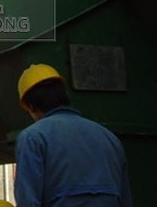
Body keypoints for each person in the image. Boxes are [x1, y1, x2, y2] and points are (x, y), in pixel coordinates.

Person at [15, 64, 133, 207]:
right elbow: (125, 200)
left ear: (30, 106)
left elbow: (28, 201)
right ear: (64, 95)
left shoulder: (33, 138)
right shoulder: (109, 138)